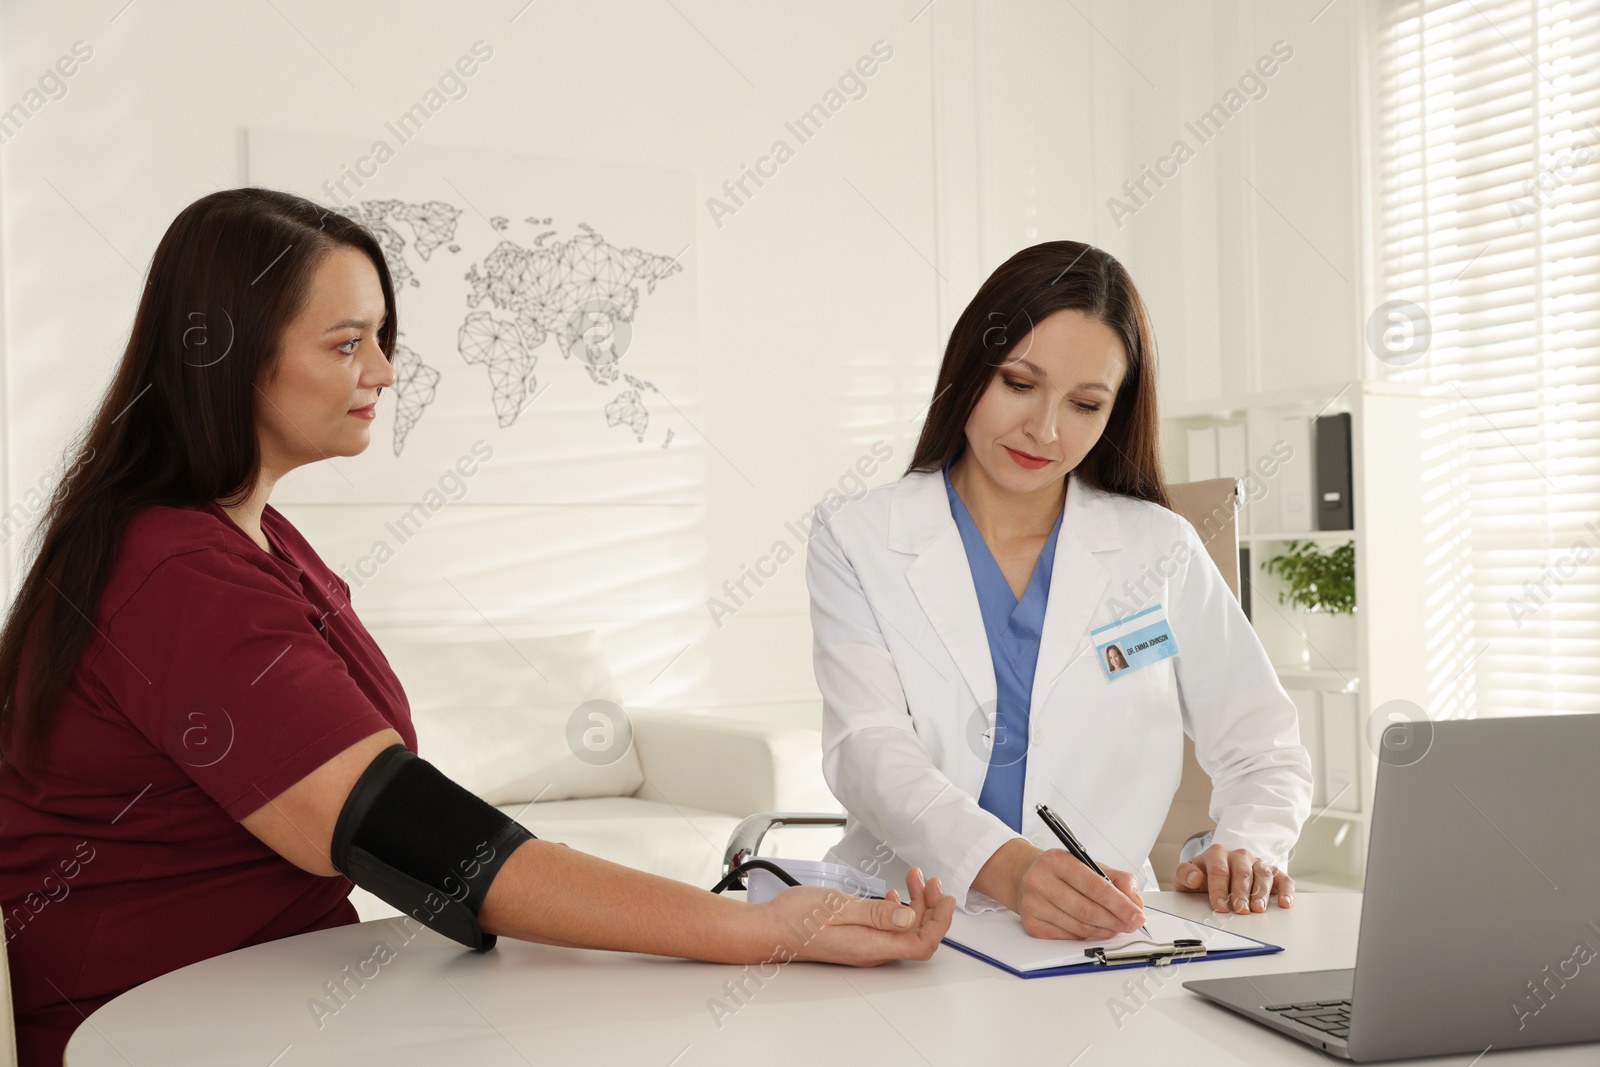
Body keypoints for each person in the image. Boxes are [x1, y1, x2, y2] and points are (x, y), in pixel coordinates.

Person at [0, 188, 952, 1066]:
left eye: (382, 337)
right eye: (345, 344)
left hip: (289, 993)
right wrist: (753, 927)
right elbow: (411, 831)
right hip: (168, 1025)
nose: (384, 370)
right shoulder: (176, 572)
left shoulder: (253, 538)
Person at [806, 240, 1313, 943]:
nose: (1045, 430)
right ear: (971, 369)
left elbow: (1263, 748)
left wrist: (1248, 848)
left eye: (1085, 403)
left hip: (1102, 936)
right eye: (1019, 383)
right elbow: (868, 747)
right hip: (903, 927)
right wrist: (1010, 868)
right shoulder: (858, 535)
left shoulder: (1158, 550)